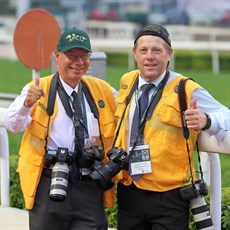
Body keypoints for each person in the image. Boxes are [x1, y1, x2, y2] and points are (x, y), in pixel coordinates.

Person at [113, 24, 230, 230]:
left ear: (169, 54)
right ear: (135, 54)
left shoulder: (185, 88)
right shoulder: (127, 81)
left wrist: (206, 120)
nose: (149, 56)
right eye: (144, 50)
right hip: (129, 190)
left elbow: (226, 115)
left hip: (169, 195)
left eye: (157, 50)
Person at [5, 27, 117, 230]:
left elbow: (129, 112)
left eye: (84, 56)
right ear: (57, 56)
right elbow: (13, 124)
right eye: (72, 55)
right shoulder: (38, 88)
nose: (79, 62)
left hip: (89, 183)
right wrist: (26, 104)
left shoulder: (102, 89)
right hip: (50, 184)